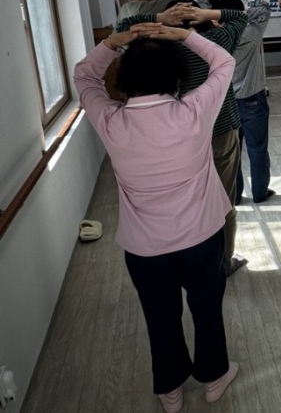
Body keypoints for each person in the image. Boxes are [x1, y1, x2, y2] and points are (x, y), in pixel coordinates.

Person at [74, 23, 239, 413]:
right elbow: (224, 62)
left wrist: (112, 44)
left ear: (124, 81)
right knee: (207, 308)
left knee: (159, 316)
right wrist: (182, 35)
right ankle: (214, 378)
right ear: (178, 78)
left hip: (145, 249)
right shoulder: (195, 111)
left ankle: (170, 390)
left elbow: (84, 75)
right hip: (201, 239)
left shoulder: (111, 121)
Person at [117, 0, 249, 277]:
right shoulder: (218, 41)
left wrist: (160, 17)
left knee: (182, 200)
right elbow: (240, 16)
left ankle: (180, 259)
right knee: (223, 202)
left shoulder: (156, 47)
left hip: (174, 138)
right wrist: (205, 14)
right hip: (220, 132)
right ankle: (222, 263)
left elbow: (122, 27)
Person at [209, 0, 274, 205]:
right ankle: (260, 193)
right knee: (258, 149)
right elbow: (263, 9)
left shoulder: (212, 37)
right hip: (252, 98)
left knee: (231, 152)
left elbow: (196, 13)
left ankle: (234, 196)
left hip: (224, 102)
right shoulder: (250, 33)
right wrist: (236, 11)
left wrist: (210, 7)